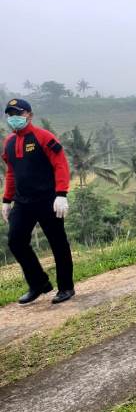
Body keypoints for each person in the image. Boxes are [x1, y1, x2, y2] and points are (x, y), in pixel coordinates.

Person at [2, 98, 75, 304]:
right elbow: (11, 173)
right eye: (10, 114)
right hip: (22, 202)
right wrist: (6, 200)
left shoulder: (44, 137)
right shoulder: (8, 143)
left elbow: (61, 164)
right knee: (16, 241)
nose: (13, 118)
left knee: (58, 242)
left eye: (18, 113)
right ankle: (38, 283)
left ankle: (66, 287)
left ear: (29, 115)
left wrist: (61, 194)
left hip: (48, 200)